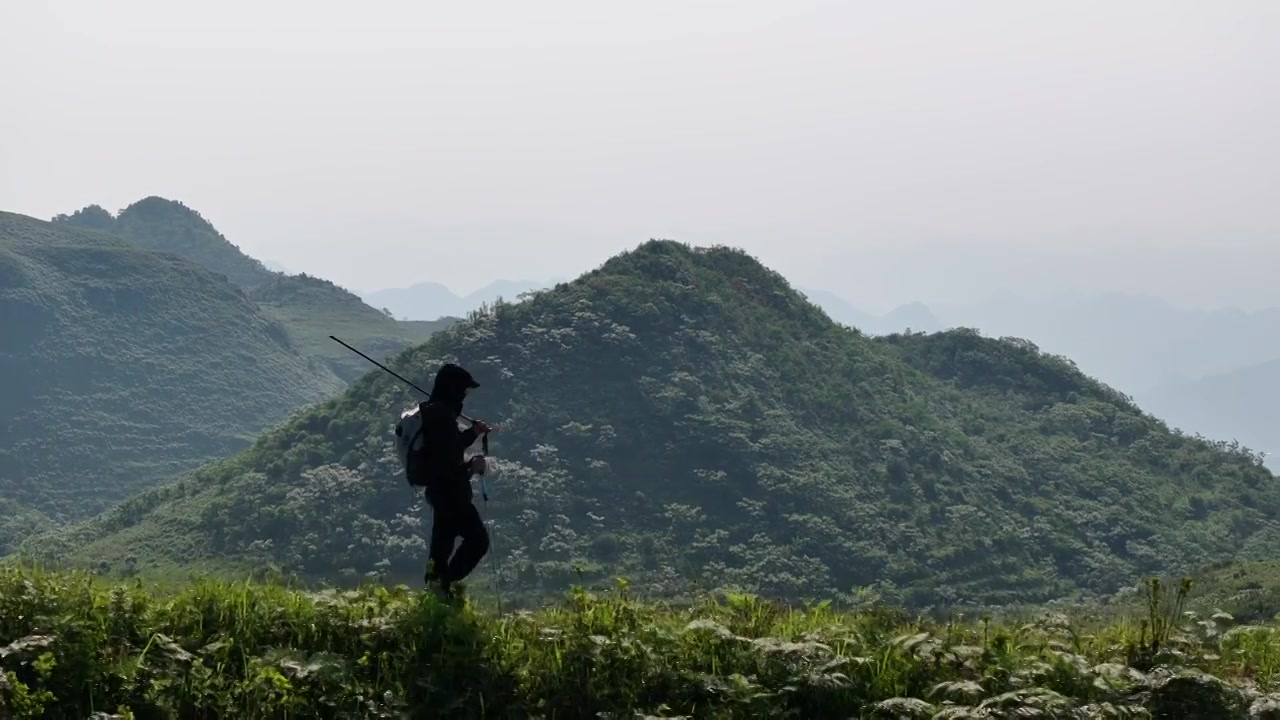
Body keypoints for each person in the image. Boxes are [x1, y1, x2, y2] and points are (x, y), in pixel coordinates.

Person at [416, 362, 491, 598]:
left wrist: (473, 433)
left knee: (440, 548)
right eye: (464, 390)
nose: (465, 396)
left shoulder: (434, 412)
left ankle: (435, 591)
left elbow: (450, 446)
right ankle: (443, 587)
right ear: (454, 389)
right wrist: (472, 467)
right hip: (451, 493)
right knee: (478, 541)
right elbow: (447, 462)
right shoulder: (441, 417)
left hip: (440, 493)